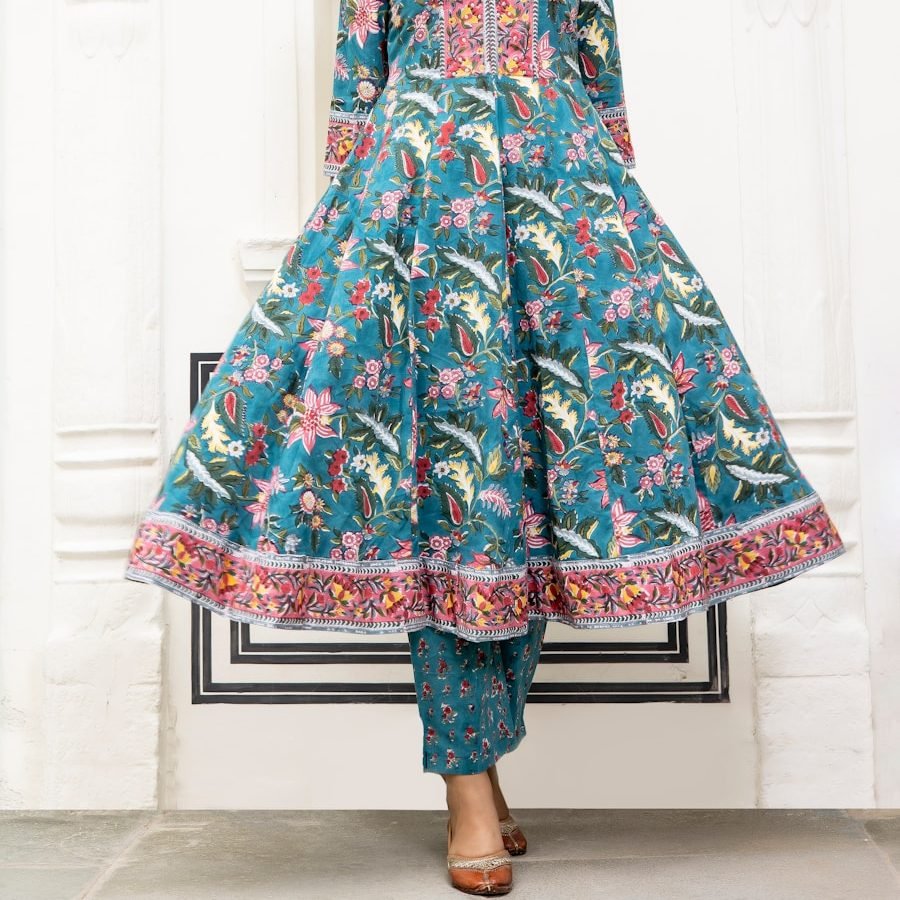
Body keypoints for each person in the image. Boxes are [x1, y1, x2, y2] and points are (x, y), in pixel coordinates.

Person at [124, 1, 847, 894]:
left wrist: (610, 198)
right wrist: (356, 222)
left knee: (539, 492)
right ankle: (467, 788)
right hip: (421, 192)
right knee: (453, 495)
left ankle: (484, 755)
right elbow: (360, 72)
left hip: (560, 179)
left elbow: (596, 55)